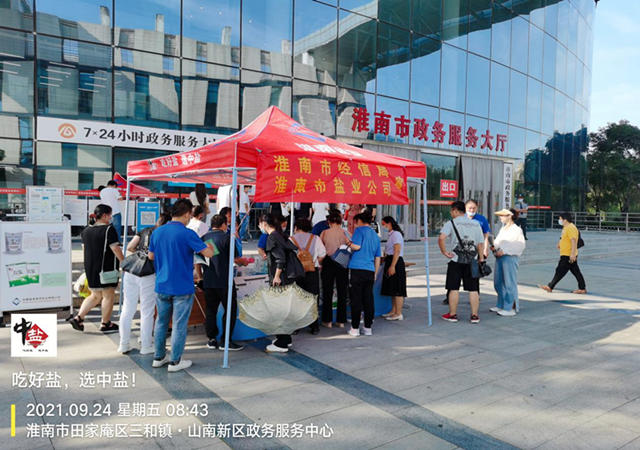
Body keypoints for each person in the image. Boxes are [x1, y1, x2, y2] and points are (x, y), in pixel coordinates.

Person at [148, 199, 215, 372]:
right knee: (179, 325)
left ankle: (158, 357)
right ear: (186, 214)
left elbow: (151, 256)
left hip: (161, 285)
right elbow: (209, 253)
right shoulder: (188, 233)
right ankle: (175, 361)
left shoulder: (157, 231)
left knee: (161, 322)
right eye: (189, 216)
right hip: (182, 287)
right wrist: (209, 244)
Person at [118, 212, 171, 354]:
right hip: (148, 273)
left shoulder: (144, 230)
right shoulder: (163, 235)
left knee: (127, 309)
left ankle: (123, 344)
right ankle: (146, 345)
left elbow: (130, 247)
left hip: (132, 271)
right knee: (147, 311)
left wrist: (141, 252)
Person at [70, 204, 125, 333]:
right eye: (110, 214)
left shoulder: (86, 231)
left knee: (95, 295)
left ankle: (79, 317)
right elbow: (115, 248)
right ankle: (105, 323)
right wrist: (124, 262)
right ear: (105, 215)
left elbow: (84, 249)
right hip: (106, 269)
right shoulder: (109, 230)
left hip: (91, 269)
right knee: (108, 296)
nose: (111, 217)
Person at [196, 214, 244, 352]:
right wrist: (244, 262)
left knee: (211, 310)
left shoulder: (203, 238)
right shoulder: (227, 238)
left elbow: (197, 261)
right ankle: (226, 340)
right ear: (223, 224)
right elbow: (236, 259)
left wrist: (200, 278)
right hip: (225, 281)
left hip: (208, 280)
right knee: (230, 310)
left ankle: (211, 339)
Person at [439, 201, 485, 324]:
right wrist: (481, 258)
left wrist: (444, 252)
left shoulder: (451, 223)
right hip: (472, 261)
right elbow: (480, 244)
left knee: (453, 288)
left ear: (455, 210)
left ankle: (452, 314)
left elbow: (441, 238)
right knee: (473, 289)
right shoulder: (475, 224)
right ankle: (474, 316)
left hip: (455, 260)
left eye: (451, 211)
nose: (451, 213)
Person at [263, 213, 302, 353]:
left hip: (281, 278)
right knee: (285, 308)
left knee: (279, 310)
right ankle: (287, 338)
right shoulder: (281, 235)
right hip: (288, 277)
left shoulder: (272, 237)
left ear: (264, 224)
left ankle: (282, 343)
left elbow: (280, 258)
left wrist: (277, 276)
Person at [444, 200, 491, 305]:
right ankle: (449, 298)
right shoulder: (459, 219)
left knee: (474, 277)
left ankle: (475, 298)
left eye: (474, 208)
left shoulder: (481, 219)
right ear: (465, 208)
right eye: (470, 208)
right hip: (459, 253)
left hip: (474, 252)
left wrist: (485, 249)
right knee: (454, 281)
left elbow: (485, 236)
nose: (472, 210)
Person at [347, 212, 381, 336]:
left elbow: (356, 247)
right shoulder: (375, 235)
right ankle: (367, 327)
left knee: (356, 299)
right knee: (368, 299)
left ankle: (355, 328)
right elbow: (378, 256)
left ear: (360, 221)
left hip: (357, 268)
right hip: (370, 270)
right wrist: (375, 272)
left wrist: (348, 242)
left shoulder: (359, 231)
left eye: (357, 222)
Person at [291, 218, 327, 334]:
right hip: (312, 272)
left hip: (296, 273)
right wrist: (314, 261)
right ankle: (314, 326)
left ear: (296, 227)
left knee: (297, 298)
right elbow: (323, 254)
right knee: (312, 298)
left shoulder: (291, 239)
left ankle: (296, 326)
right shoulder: (315, 238)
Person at [539, 212, 587, 294]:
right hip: (566, 253)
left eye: (560, 219)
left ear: (565, 219)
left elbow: (573, 241)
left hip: (568, 254)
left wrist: (572, 254)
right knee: (575, 271)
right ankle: (582, 288)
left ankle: (550, 286)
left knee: (560, 270)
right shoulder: (566, 227)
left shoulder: (571, 228)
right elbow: (563, 238)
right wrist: (559, 243)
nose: (559, 220)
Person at [490, 209, 526, 317]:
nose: (500, 217)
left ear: (509, 216)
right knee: (498, 282)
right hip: (500, 257)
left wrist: (505, 251)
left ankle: (510, 307)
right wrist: (494, 246)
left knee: (509, 283)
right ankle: (501, 304)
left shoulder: (517, 230)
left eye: (502, 215)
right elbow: (498, 241)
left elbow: (520, 245)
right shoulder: (503, 228)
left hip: (510, 258)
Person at [319, 212, 350, 328]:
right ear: (341, 222)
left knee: (327, 291)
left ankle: (327, 321)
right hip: (342, 261)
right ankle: (341, 321)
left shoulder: (324, 233)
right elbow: (351, 246)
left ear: (329, 222)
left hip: (328, 262)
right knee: (342, 291)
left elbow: (321, 249)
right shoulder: (346, 232)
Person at [380, 216, 407, 321]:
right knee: (392, 288)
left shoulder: (396, 234)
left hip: (395, 261)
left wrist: (392, 266)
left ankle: (398, 313)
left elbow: (397, 250)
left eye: (384, 224)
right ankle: (393, 310)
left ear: (389, 223)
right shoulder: (391, 235)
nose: (383, 227)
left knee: (398, 289)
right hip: (390, 260)